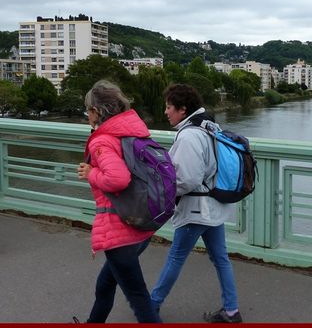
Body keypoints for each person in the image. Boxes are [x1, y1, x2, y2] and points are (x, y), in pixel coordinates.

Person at [150, 83, 242, 323]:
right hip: (213, 204)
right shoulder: (210, 126)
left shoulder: (190, 135)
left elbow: (186, 179)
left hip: (195, 208)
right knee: (220, 258)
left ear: (182, 109)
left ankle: (151, 305)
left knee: (176, 257)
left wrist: (164, 190)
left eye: (169, 107)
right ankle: (231, 310)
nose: (166, 112)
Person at [76, 80, 161, 323]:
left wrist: (91, 173)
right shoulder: (132, 133)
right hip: (139, 222)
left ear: (97, 111)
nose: (87, 116)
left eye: (88, 111)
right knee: (105, 284)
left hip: (119, 229)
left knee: (139, 299)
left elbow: (118, 179)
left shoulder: (102, 140)